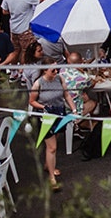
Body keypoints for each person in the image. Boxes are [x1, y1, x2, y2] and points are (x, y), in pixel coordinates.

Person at [29, 58, 77, 191]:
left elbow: (66, 95)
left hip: (59, 113)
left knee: (53, 141)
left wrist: (73, 110)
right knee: (52, 147)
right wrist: (44, 107)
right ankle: (51, 178)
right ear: (45, 70)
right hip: (45, 117)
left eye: (57, 69)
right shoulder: (38, 84)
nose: (56, 72)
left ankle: (47, 164)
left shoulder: (60, 79)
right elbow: (31, 101)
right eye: (53, 70)